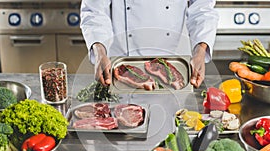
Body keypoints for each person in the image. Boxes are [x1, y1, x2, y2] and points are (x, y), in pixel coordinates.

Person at [80, 0, 219, 88]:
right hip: (120, 65)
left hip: (175, 63)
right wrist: (99, 51)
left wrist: (200, 50)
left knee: (171, 128)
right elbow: (94, 11)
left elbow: (203, 9)